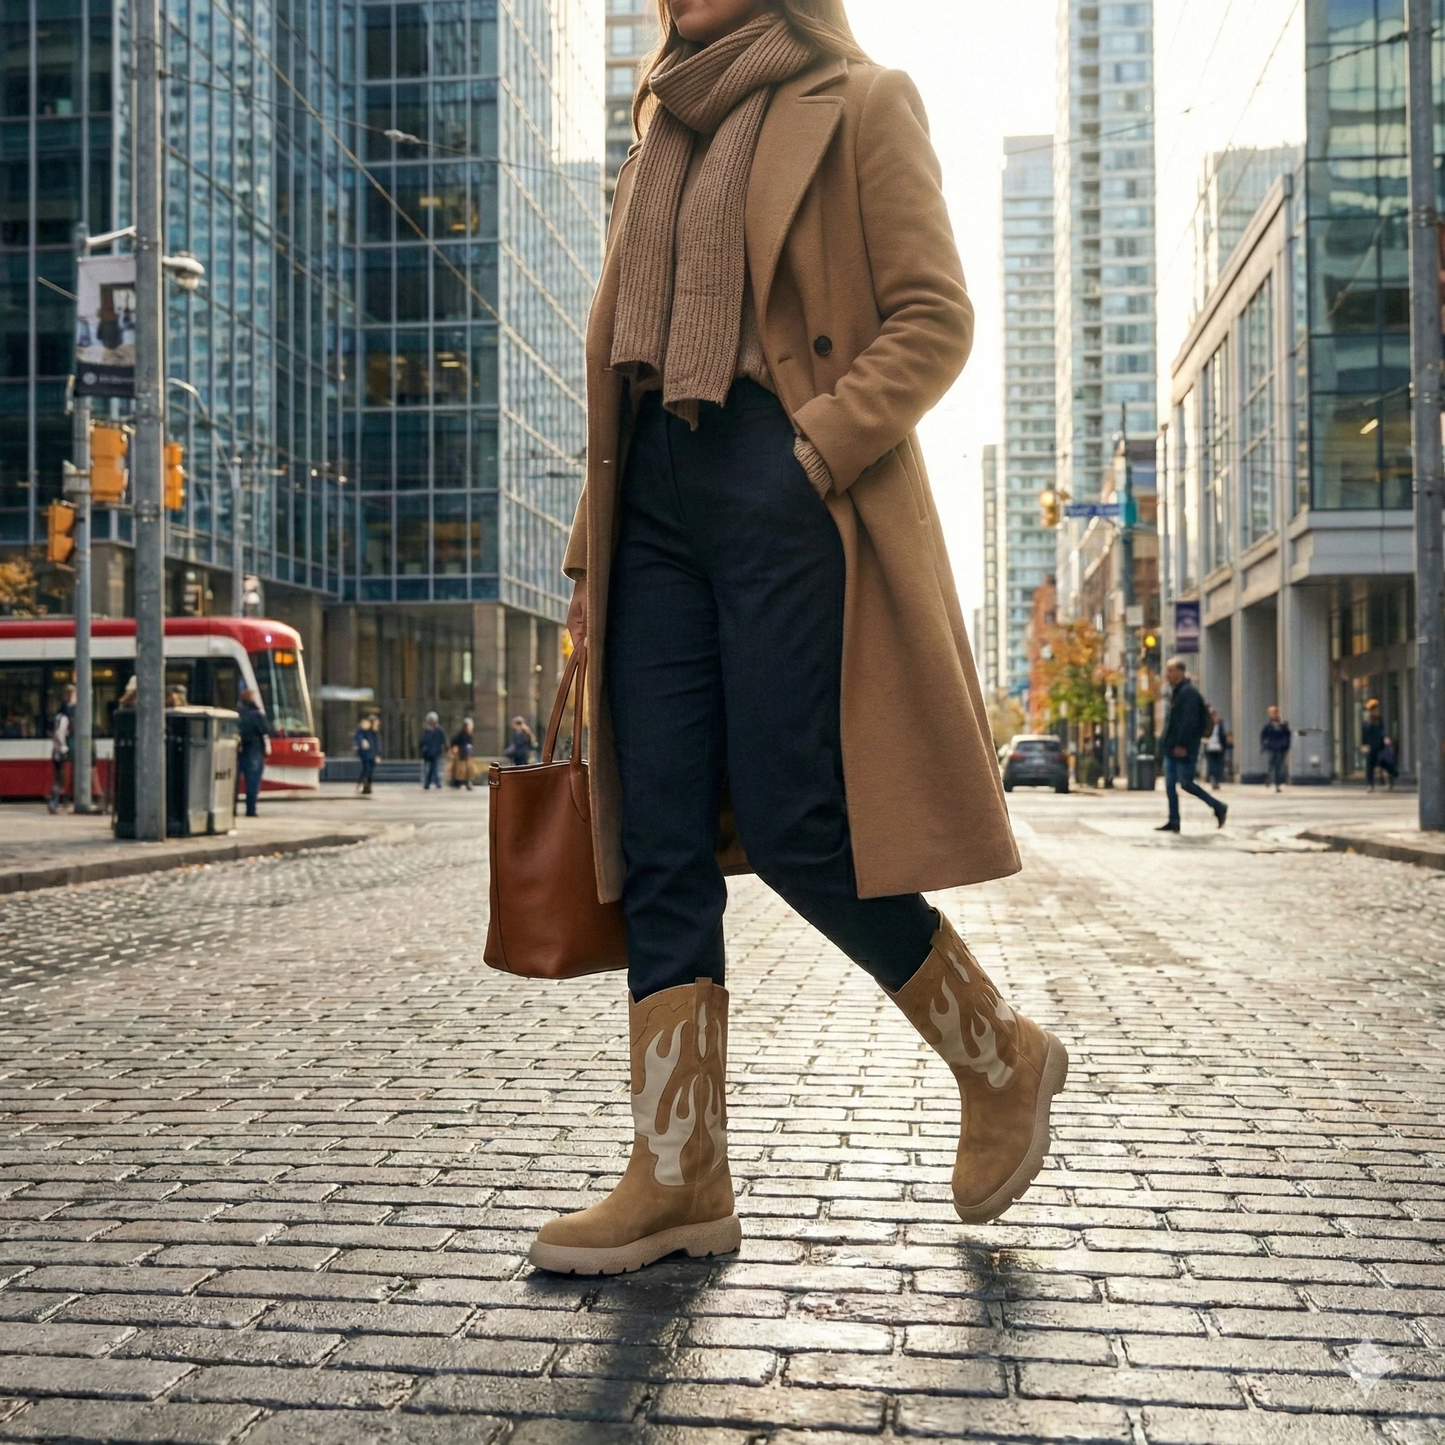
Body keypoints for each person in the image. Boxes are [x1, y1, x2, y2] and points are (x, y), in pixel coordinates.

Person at [528, 0, 1066, 1279]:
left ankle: (997, 1057)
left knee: (793, 817)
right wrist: (589, 561)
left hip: (783, 488)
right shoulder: (656, 124)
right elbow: (617, 368)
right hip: (648, 504)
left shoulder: (860, 100)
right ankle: (677, 1172)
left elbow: (933, 318)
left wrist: (812, 450)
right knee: (655, 832)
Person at [1156, 657, 1226, 832]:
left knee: (1186, 782)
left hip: (1184, 747)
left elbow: (1189, 722)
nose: (1167, 674)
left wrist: (1182, 745)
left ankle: (1218, 806)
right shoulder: (1178, 691)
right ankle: (1174, 820)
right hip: (1173, 747)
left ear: (1180, 672)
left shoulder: (1188, 693)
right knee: (1170, 784)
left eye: (1170, 671)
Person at [236, 688, 269, 817]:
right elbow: (265, 729)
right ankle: (250, 810)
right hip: (254, 750)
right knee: (252, 782)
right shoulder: (256, 715)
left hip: (237, 750)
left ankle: (231, 809)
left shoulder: (236, 713)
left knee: (234, 782)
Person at [47, 684, 76, 814]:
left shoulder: (59, 714)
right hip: (60, 752)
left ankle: (56, 802)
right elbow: (59, 733)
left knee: (59, 778)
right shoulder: (64, 716)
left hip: (56, 751)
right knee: (61, 779)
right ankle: (54, 802)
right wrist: (64, 749)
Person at [1260, 705, 1291, 793]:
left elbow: (1287, 735)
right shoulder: (1268, 725)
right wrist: (1264, 745)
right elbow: (1263, 735)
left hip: (1281, 747)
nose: (1273, 715)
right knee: (1271, 764)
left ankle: (1277, 784)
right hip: (1271, 747)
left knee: (1279, 765)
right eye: (1271, 713)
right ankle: (1269, 779)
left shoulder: (1283, 724)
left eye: (1274, 713)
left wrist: (1286, 746)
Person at [1361, 699, 1385, 791]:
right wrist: (1363, 744)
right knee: (1370, 766)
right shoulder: (1366, 721)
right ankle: (1370, 784)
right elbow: (1364, 734)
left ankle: (1385, 780)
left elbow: (1382, 732)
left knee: (1383, 763)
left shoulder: (1379, 720)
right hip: (1370, 746)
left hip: (1379, 745)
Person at [419, 712, 448, 790]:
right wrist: (423, 749)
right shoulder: (426, 731)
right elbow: (422, 741)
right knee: (430, 769)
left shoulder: (439, 731)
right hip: (427, 753)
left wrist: (446, 749)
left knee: (434, 768)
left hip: (436, 752)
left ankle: (433, 783)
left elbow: (444, 740)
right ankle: (430, 783)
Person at [354, 715, 379, 795]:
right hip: (366, 753)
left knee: (370, 770)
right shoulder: (364, 730)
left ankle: (367, 786)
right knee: (366, 769)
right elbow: (358, 737)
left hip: (372, 753)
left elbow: (377, 743)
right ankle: (364, 785)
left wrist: (377, 754)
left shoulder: (374, 732)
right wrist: (362, 741)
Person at [1203, 708, 1227, 790]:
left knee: (1218, 765)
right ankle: (1212, 779)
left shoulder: (1220, 725)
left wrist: (1223, 746)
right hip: (1209, 747)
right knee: (1211, 765)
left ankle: (1217, 780)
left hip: (1218, 748)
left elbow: (1223, 736)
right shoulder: (1206, 725)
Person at [450, 717, 476, 790]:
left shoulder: (469, 736)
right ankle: (458, 782)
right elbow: (454, 743)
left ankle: (467, 782)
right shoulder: (461, 735)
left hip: (467, 755)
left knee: (468, 770)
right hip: (461, 755)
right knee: (461, 770)